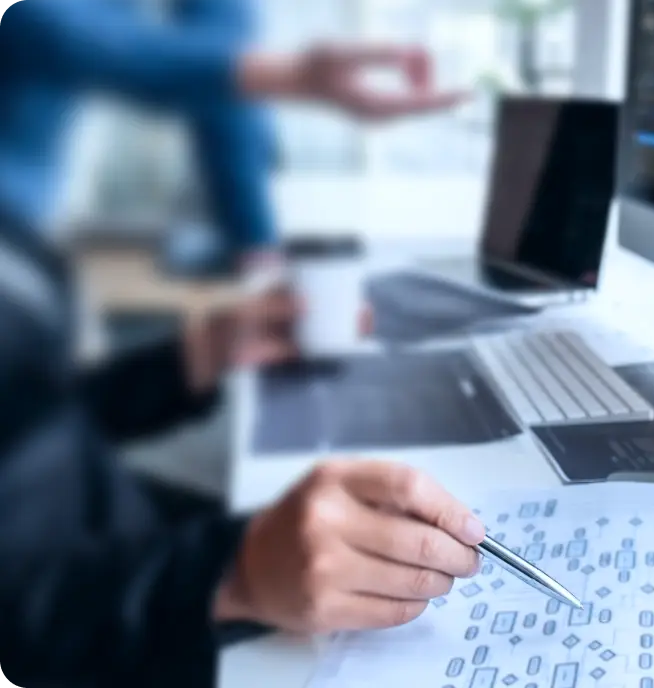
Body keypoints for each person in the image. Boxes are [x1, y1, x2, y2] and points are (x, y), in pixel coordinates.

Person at [0, 211, 487, 687]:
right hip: (97, 624)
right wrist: (230, 576)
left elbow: (32, 409)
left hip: (124, 532)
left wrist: (195, 356)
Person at [0, 0, 463, 267]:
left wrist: (256, 247)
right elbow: (61, 34)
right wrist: (296, 75)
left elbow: (221, 56)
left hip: (27, 233)